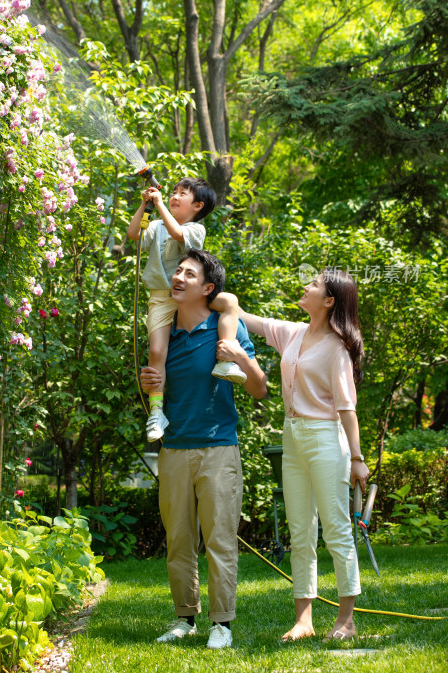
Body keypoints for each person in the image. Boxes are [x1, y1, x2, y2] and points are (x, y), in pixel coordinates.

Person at [140, 249, 267, 649]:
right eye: (177, 270)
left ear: (207, 288)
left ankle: (222, 624)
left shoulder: (225, 326)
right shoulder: (164, 332)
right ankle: (184, 619)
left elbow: (260, 389)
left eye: (188, 274)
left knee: (219, 540)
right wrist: (148, 382)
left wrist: (241, 359)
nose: (177, 277)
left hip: (218, 450)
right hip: (174, 451)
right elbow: (156, 389)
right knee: (178, 541)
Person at [238, 268, 370, 641]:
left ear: (329, 301)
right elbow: (251, 320)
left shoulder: (337, 349)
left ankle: (346, 621)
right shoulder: (294, 334)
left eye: (313, 285)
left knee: (336, 531)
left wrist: (357, 457)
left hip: (326, 438)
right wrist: (218, 294)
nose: (305, 287)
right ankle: (304, 620)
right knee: (300, 530)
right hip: (293, 436)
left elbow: (347, 409)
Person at [127, 177, 247, 443]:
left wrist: (159, 205)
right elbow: (133, 234)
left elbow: (178, 234)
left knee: (228, 301)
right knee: (157, 351)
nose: (174, 196)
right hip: (161, 298)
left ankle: (226, 361)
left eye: (183, 193)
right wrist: (144, 205)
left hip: (191, 297)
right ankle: (157, 412)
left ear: (198, 205)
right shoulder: (157, 224)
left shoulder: (195, 229)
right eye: (174, 192)